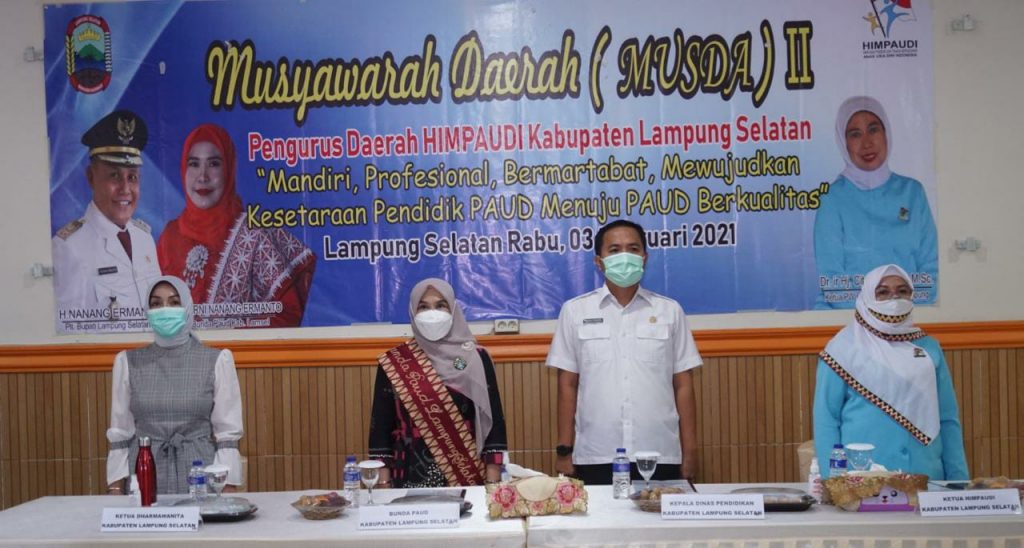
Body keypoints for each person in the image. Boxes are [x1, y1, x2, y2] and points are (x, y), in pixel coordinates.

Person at [547, 219, 703, 485]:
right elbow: (567, 385)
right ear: (599, 262)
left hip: (660, 452)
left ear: (644, 258)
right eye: (614, 250)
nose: (625, 256)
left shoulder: (669, 311)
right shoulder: (575, 311)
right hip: (596, 454)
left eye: (633, 249)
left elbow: (683, 385)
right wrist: (564, 450)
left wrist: (689, 451)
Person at [813, 264, 968, 480]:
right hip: (863, 478)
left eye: (902, 291)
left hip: (926, 474)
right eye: (883, 292)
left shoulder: (929, 348)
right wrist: (833, 482)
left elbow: (948, 418)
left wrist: (958, 480)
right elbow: (826, 420)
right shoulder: (842, 349)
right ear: (867, 297)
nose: (894, 299)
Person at [157, 123, 315, 328]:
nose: (202, 176)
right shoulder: (170, 236)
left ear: (229, 169)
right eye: (194, 164)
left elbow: (286, 315)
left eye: (214, 164)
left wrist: (231, 333)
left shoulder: (255, 234)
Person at [105, 275, 244, 495]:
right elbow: (120, 433)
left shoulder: (217, 360)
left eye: (174, 302)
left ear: (187, 307)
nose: (164, 309)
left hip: (201, 474)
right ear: (147, 310)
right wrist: (115, 486)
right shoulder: (127, 362)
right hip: (144, 473)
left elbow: (227, 434)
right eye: (156, 303)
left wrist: (228, 486)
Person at [368, 278, 508, 488]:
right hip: (407, 476)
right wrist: (383, 484)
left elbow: (494, 424)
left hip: (468, 477)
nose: (432, 313)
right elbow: (381, 429)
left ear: (453, 310)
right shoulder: (395, 362)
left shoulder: (476, 358)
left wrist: (492, 481)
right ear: (412, 313)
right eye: (423, 307)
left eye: (441, 305)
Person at [814, 96, 938, 309]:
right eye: (855, 134)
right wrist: (876, 314)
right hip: (848, 316)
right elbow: (832, 281)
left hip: (907, 313)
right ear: (843, 143)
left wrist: (897, 310)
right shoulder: (832, 198)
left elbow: (931, 270)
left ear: (886, 133)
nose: (867, 143)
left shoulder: (912, 192)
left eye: (873, 130)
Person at [52, 110, 162, 316]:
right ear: (91, 177)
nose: (125, 189)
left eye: (132, 177)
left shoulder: (144, 239)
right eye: (114, 176)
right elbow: (67, 328)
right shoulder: (69, 248)